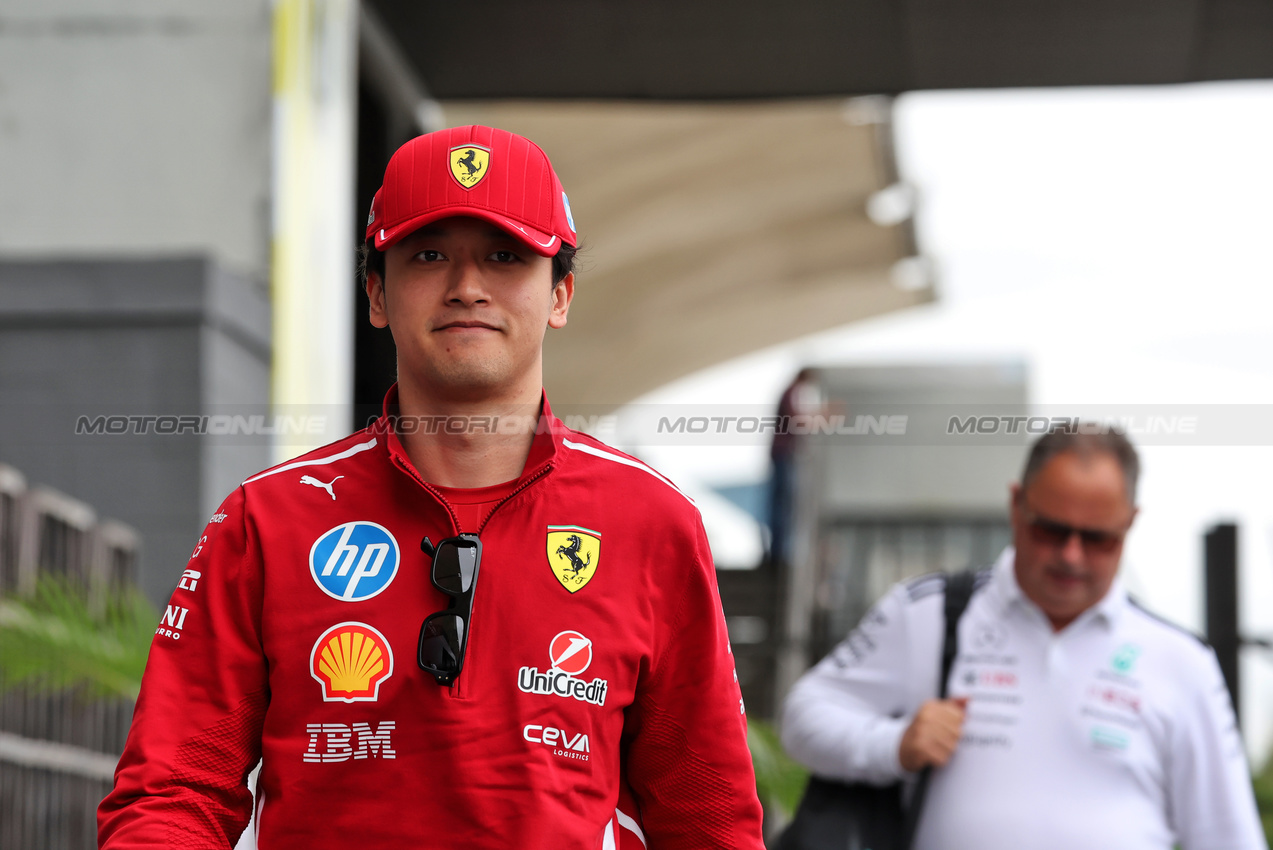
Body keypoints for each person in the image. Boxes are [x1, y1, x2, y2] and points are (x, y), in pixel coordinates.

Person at [99, 125, 765, 849]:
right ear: (377, 295)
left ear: (561, 294)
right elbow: (172, 792)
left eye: (505, 257)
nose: (466, 287)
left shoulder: (650, 521)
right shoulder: (267, 516)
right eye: (428, 255)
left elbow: (708, 818)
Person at [780, 425, 1267, 850]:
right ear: (1016, 505)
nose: (1071, 556)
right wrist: (893, 746)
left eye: (1097, 538)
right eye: (1051, 531)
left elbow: (1228, 838)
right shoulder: (929, 614)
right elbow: (802, 717)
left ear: (1130, 525)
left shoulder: (1181, 660)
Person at [768, 367, 820, 564]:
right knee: (783, 506)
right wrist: (822, 416)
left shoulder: (788, 392)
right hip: (783, 455)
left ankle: (778, 551)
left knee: (781, 505)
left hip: (781, 454)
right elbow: (797, 420)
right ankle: (779, 552)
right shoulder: (791, 393)